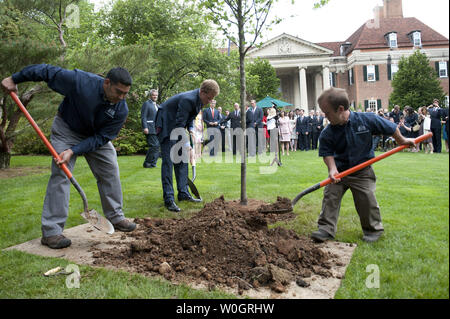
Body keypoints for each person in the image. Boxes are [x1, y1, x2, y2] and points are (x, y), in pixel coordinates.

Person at [1, 64, 137, 249]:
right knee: (61, 174)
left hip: (95, 137)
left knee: (110, 171)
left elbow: (102, 138)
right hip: (67, 130)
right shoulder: (80, 82)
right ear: (106, 83)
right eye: (118, 92)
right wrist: (15, 78)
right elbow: (46, 71)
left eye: (125, 94)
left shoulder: (121, 109)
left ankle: (116, 216)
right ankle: (51, 231)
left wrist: (74, 150)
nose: (121, 97)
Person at [311, 88, 415, 243]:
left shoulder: (367, 119)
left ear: (340, 109)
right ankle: (325, 229)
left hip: (362, 171)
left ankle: (373, 230)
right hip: (339, 172)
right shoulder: (328, 132)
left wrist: (402, 141)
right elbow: (327, 153)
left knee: (366, 199)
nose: (325, 117)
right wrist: (332, 170)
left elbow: (391, 128)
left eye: (327, 113)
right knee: (330, 197)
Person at [156, 80, 219, 212]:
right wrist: (187, 144)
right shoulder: (188, 99)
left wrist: (191, 131)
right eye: (208, 98)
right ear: (202, 92)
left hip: (176, 125)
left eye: (211, 99)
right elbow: (179, 124)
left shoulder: (199, 101)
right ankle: (169, 199)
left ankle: (183, 193)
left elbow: (189, 119)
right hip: (166, 124)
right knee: (168, 162)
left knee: (182, 160)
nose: (209, 101)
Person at [141, 89, 160, 168]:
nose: (155, 96)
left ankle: (153, 163)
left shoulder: (158, 105)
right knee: (154, 146)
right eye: (153, 95)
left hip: (157, 129)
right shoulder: (146, 104)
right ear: (150, 96)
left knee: (157, 146)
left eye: (156, 95)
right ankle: (147, 163)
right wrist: (145, 127)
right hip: (149, 128)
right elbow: (143, 116)